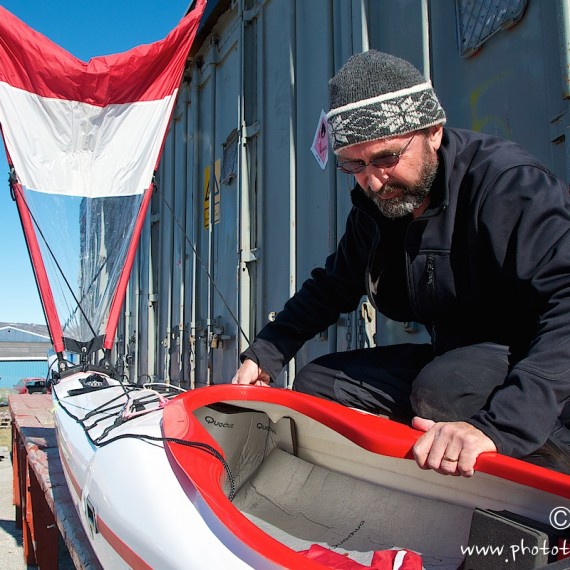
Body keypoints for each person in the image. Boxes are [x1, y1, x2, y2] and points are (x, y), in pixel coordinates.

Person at [232, 50, 570, 478]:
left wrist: (500, 427)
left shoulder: (508, 185)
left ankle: (549, 465)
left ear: (432, 131)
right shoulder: (379, 206)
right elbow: (334, 285)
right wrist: (266, 353)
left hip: (539, 369)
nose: (373, 181)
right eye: (353, 164)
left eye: (385, 158)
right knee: (318, 384)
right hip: (454, 358)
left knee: (441, 390)